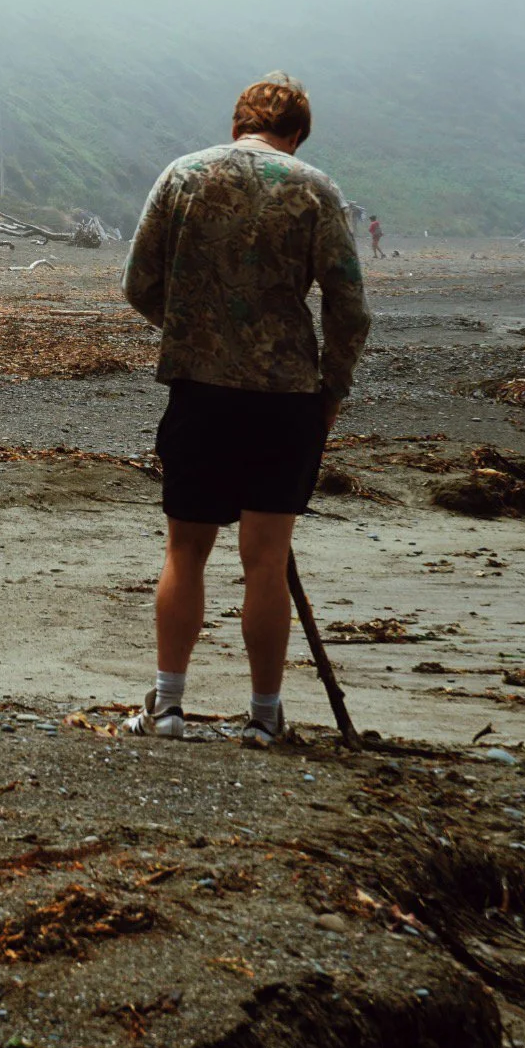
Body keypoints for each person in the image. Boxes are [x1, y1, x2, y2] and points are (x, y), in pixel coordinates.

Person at [121, 73, 370, 748]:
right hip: (286, 399)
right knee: (266, 558)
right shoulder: (314, 187)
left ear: (238, 125)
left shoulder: (183, 175)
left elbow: (138, 281)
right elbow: (350, 307)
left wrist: (189, 330)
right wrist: (331, 393)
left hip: (199, 391)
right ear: (295, 134)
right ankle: (264, 716)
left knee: (186, 549)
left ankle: (168, 708)